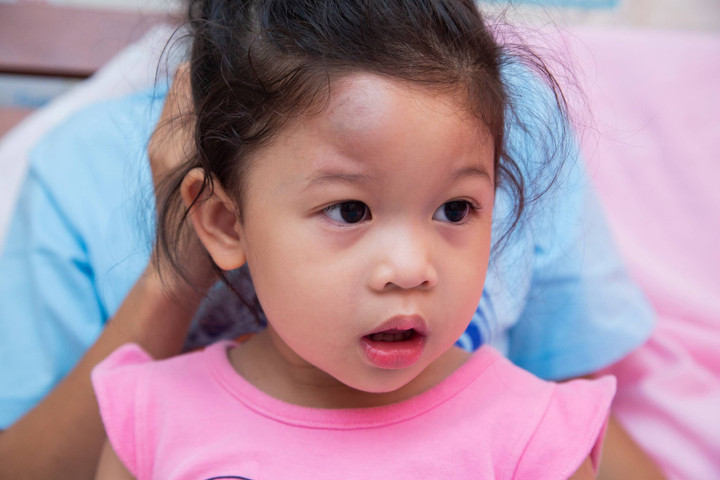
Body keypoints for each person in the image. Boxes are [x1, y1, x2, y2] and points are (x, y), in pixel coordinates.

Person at [0, 1, 663, 479]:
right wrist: (173, 274)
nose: (411, 268)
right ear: (224, 220)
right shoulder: (150, 414)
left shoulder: (536, 428)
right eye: (349, 211)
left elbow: (571, 405)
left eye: (456, 209)